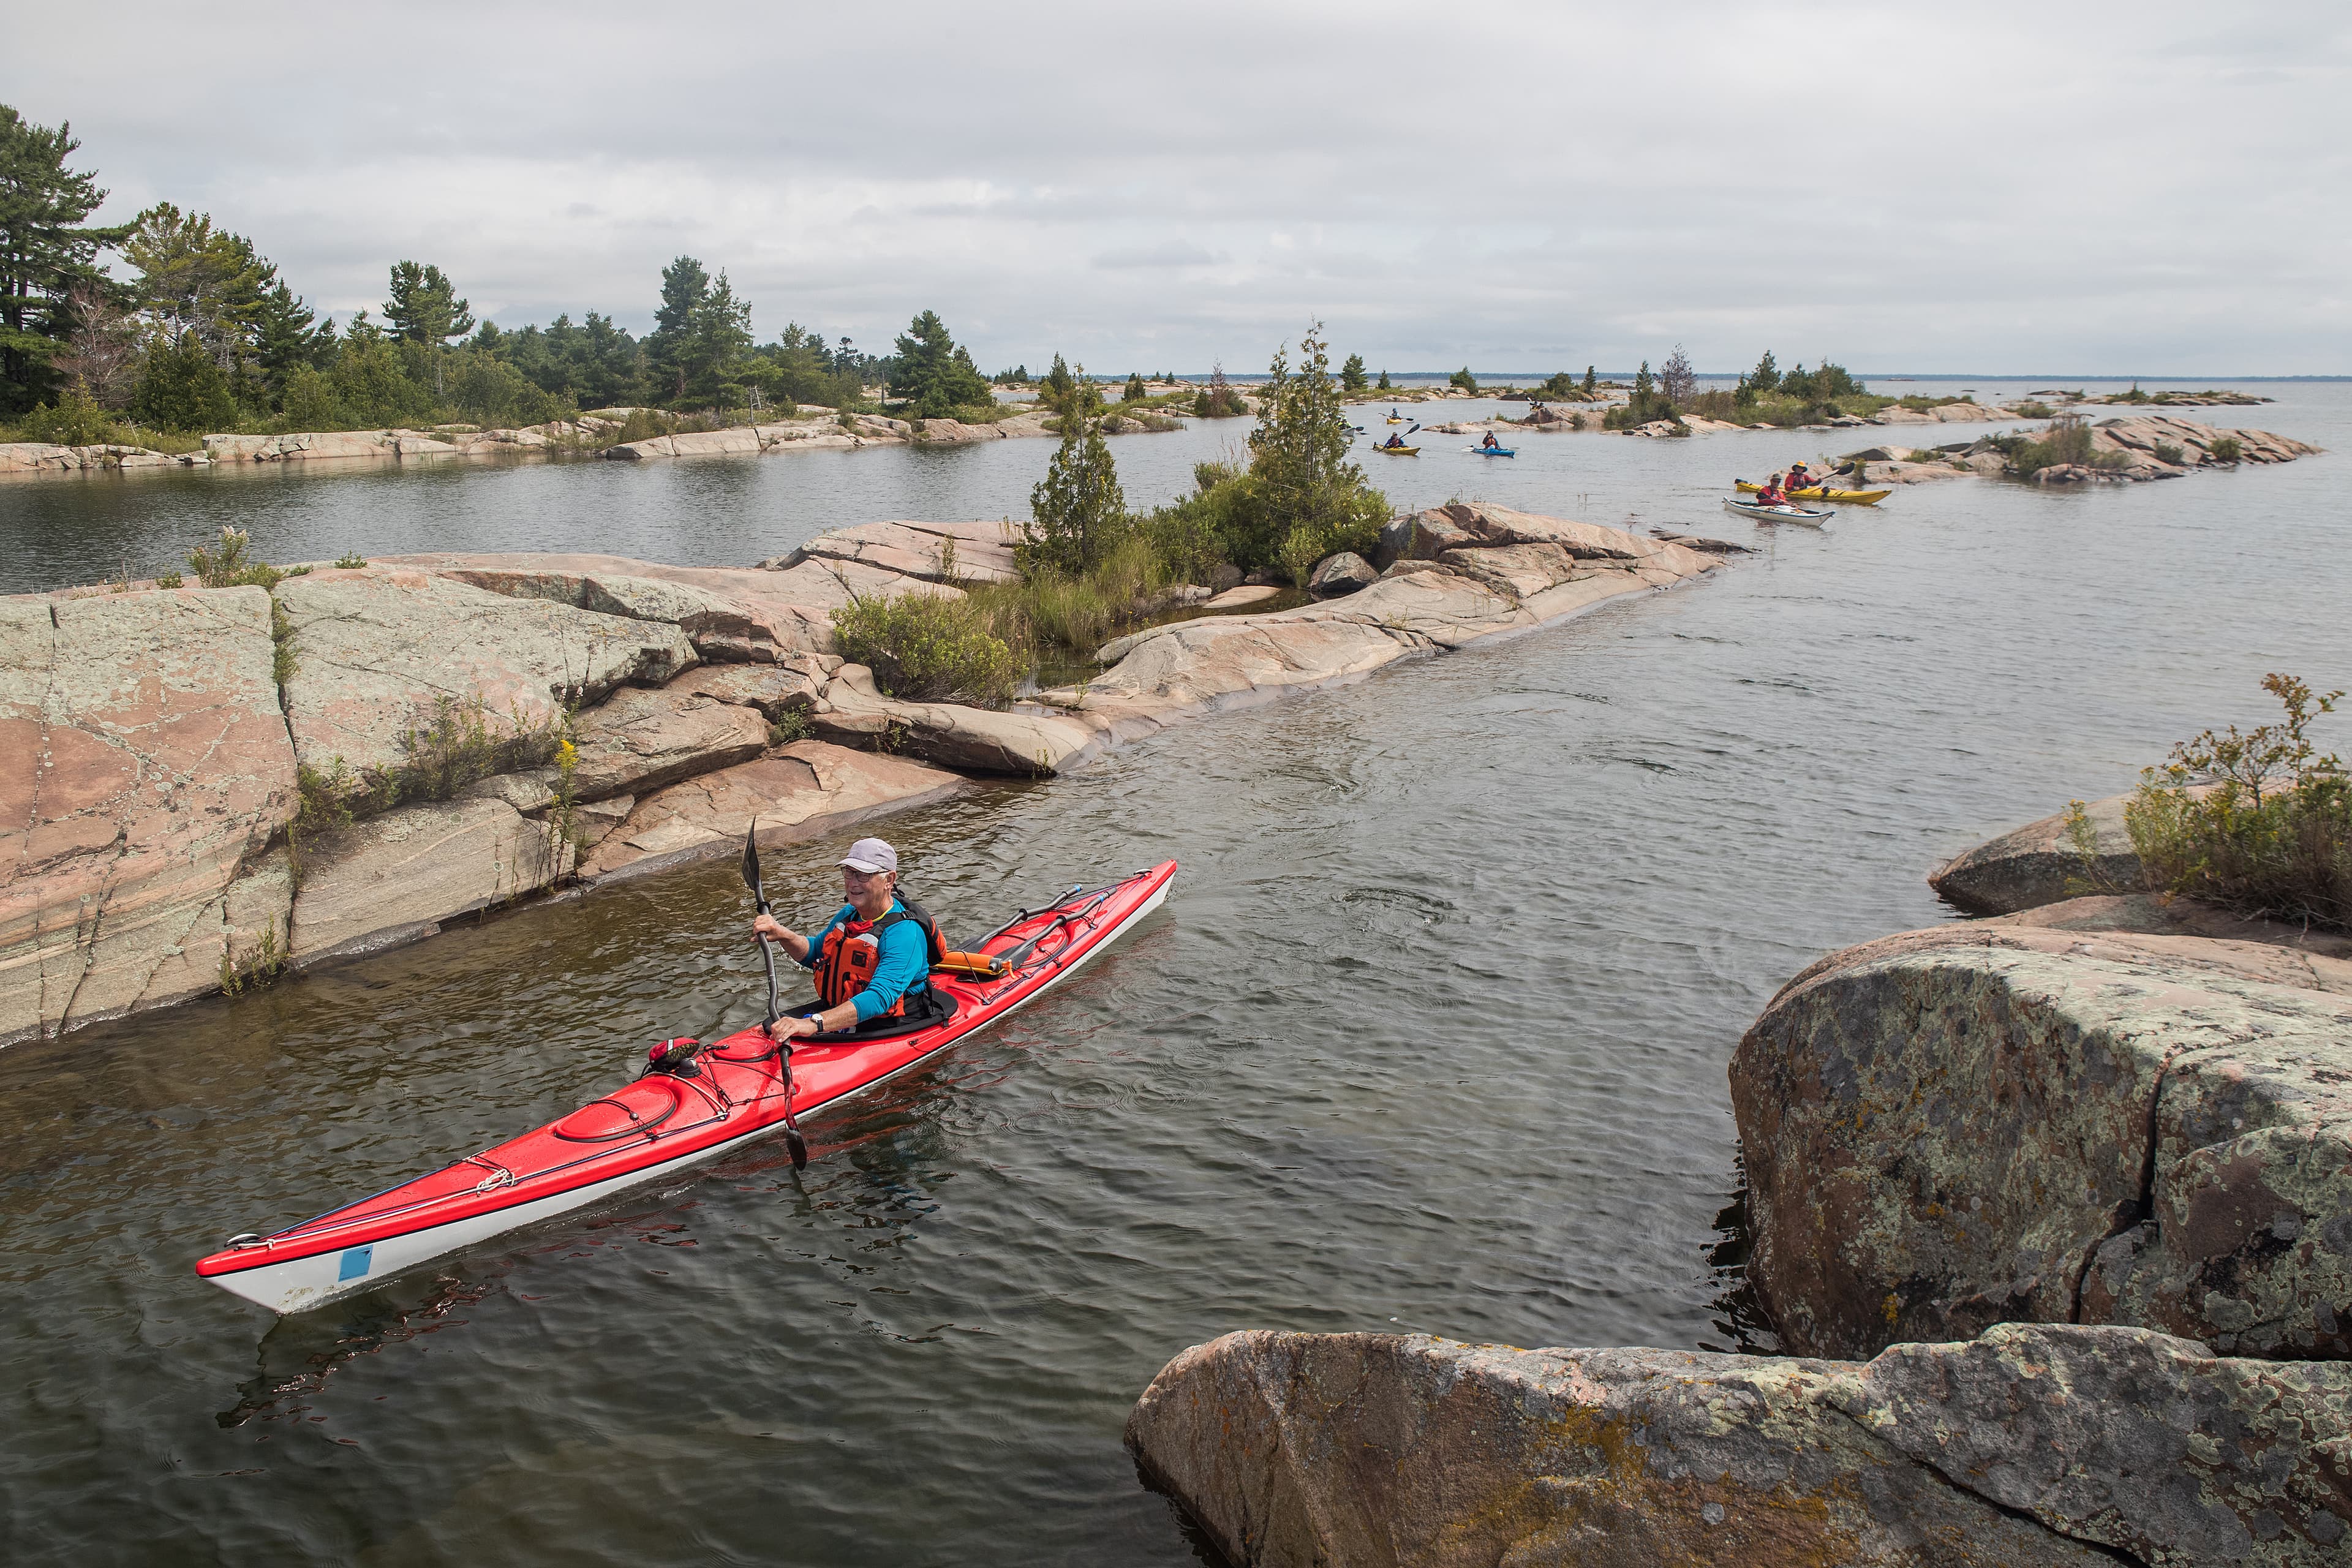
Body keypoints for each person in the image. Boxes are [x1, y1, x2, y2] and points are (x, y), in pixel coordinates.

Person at [752, 837, 944, 1041]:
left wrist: (812, 1024)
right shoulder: (850, 914)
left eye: (863, 875)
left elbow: (879, 998)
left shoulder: (905, 932)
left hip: (888, 1025)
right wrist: (783, 934)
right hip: (847, 1018)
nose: (852, 883)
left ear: (889, 880)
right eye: (849, 872)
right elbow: (815, 953)